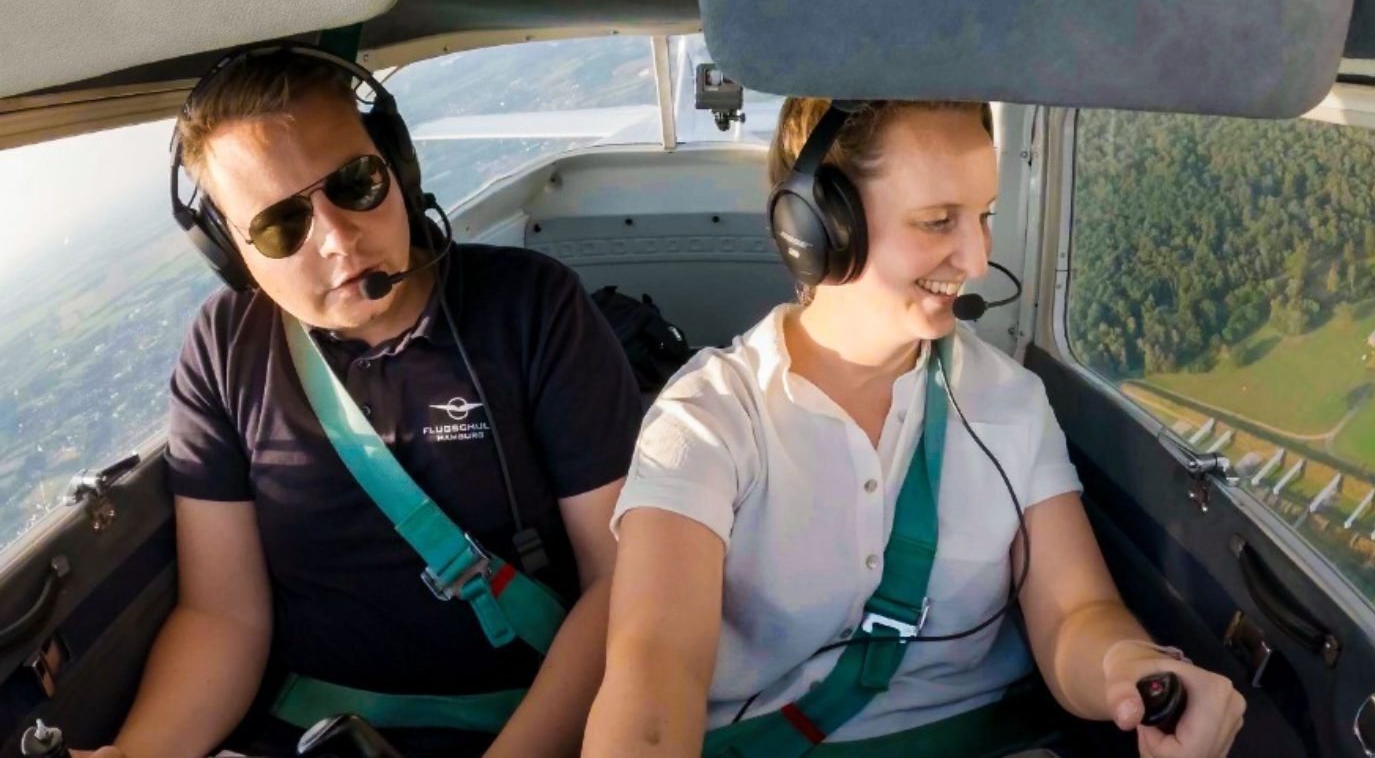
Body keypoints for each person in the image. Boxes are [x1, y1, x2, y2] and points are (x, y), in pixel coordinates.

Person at [584, 97, 1246, 756]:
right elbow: (655, 669)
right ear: (819, 226)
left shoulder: (1009, 401)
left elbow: (1076, 615)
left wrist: (1129, 669)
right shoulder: (706, 418)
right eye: (937, 222)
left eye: (983, 216)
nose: (977, 258)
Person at [79, 45, 641, 758]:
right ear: (232, 253)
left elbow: (619, 579)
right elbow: (222, 613)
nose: (339, 237)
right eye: (282, 224)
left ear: (396, 170)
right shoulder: (224, 350)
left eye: (354, 182)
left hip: (526, 720)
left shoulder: (530, 307)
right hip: (309, 730)